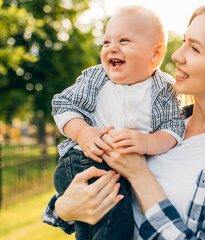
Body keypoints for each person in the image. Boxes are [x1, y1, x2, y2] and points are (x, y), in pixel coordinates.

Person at [42, 3, 205, 239]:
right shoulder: (159, 120)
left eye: (195, 48)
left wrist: (140, 175)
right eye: (185, 41)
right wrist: (64, 208)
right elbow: (77, 207)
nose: (176, 54)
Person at [49, 6, 185, 240]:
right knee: (114, 212)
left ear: (155, 54)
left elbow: (173, 128)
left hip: (122, 170)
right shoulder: (96, 78)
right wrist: (84, 133)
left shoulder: (164, 89)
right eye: (106, 42)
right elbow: (62, 105)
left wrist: (147, 142)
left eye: (124, 40)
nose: (112, 48)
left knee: (103, 220)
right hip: (85, 159)